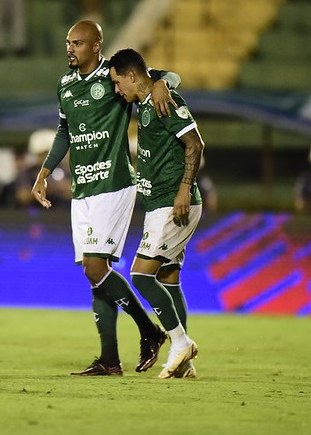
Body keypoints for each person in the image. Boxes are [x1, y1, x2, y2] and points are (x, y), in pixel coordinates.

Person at [31, 20, 181, 376]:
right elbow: (64, 131)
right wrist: (44, 172)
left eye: (78, 43)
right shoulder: (64, 85)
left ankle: (149, 331)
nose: (70, 48)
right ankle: (110, 359)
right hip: (82, 188)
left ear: (97, 46)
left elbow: (169, 76)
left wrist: (161, 83)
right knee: (93, 272)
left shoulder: (113, 75)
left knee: (97, 267)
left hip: (113, 184)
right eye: (68, 42)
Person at [109, 48, 203, 379]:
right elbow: (163, 76)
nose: (118, 90)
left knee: (140, 275)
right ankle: (186, 364)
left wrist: (182, 190)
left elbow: (195, 144)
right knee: (168, 278)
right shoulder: (152, 96)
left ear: (131, 76)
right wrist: (162, 79)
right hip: (159, 204)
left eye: (118, 83)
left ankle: (179, 343)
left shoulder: (166, 100)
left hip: (172, 202)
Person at [1, 129, 71, 208]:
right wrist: (48, 188)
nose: (47, 158)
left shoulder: (63, 170)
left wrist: (65, 188)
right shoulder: (27, 172)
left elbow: (74, 192)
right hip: (35, 214)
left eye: (49, 153)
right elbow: (23, 196)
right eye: (43, 154)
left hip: (61, 214)